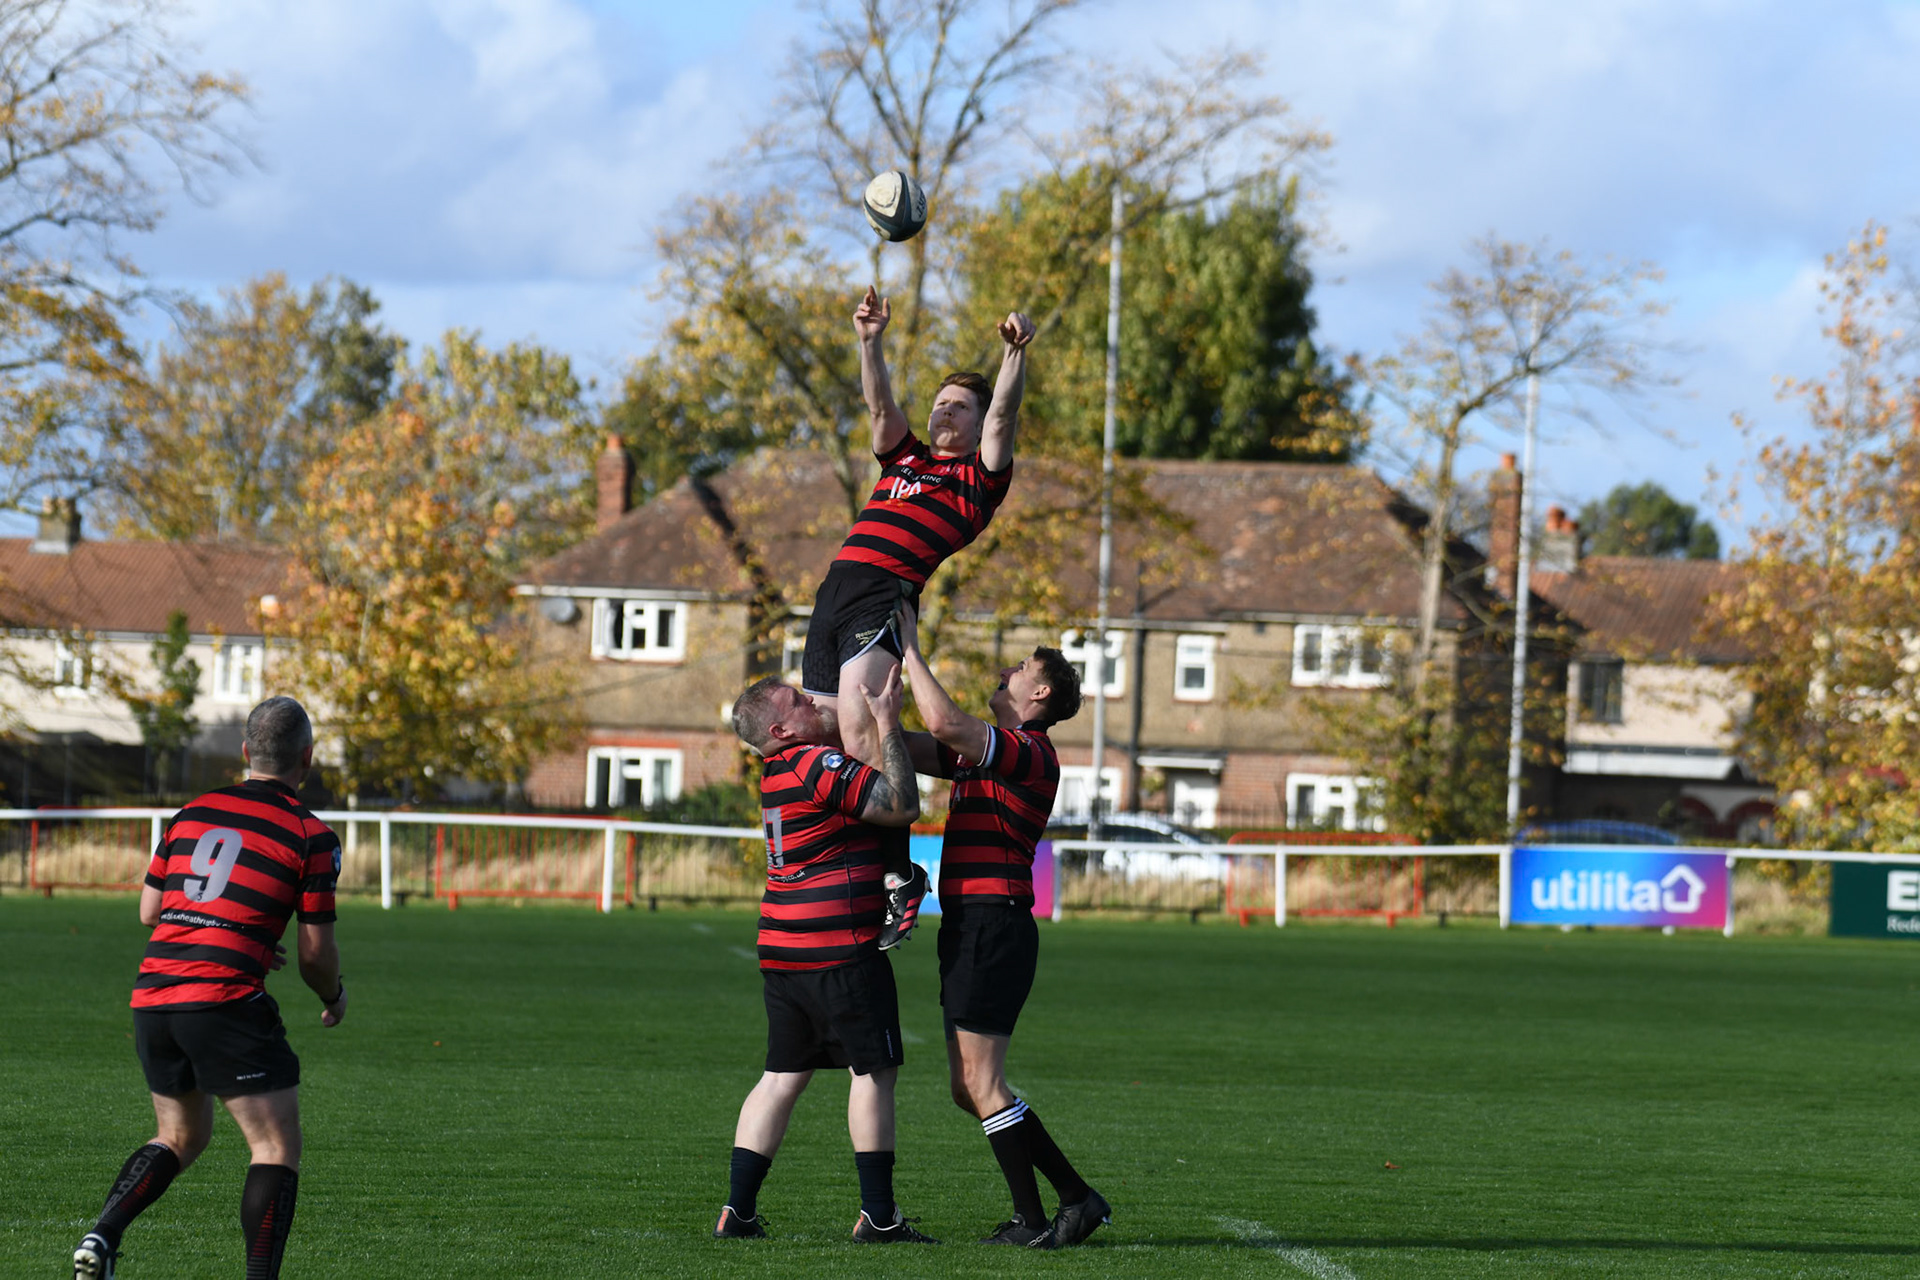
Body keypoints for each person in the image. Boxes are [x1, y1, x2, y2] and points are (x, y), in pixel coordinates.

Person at [73, 696, 345, 1280]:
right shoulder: (310, 833)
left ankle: (103, 1234)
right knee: (274, 1148)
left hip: (153, 996)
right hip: (221, 1001)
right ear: (308, 758)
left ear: (245, 752)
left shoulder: (191, 813)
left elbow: (151, 910)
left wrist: (237, 933)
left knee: (180, 1136)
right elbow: (315, 956)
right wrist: (334, 997)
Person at [799, 286, 1036, 949]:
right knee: (819, 735)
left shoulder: (979, 479)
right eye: (937, 404)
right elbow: (878, 403)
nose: (941, 413)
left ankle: (900, 874)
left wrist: (1013, 353)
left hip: (885, 594)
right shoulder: (904, 459)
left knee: (862, 721)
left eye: (956, 406)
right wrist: (869, 340)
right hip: (834, 593)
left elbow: (1004, 417)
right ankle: (852, 862)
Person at [894, 601, 1111, 1248]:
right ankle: (1050, 1208)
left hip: (995, 926)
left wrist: (909, 647)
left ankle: (1063, 1204)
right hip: (972, 927)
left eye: (1019, 667)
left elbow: (941, 719)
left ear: (1039, 692)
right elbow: (901, 742)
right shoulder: (983, 755)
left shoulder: (1029, 751)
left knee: (981, 1083)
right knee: (968, 1088)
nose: (1004, 669)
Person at [714, 670, 939, 1245]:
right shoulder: (813, 762)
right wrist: (887, 721)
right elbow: (900, 805)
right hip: (838, 950)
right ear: (781, 727)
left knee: (781, 1078)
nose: (814, 700)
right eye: (800, 699)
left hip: (783, 951)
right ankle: (879, 1215)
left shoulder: (775, 772)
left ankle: (737, 1211)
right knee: (874, 1073)